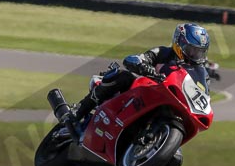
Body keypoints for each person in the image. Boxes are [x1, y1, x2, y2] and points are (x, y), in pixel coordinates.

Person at [70, 23, 211, 125]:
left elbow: (204, 94)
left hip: (169, 103)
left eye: (199, 52)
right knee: (122, 76)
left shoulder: (202, 74)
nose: (195, 55)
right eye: (192, 50)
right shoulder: (163, 53)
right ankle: (81, 109)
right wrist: (144, 67)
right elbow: (136, 59)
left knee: (175, 161)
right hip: (143, 92)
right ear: (179, 43)